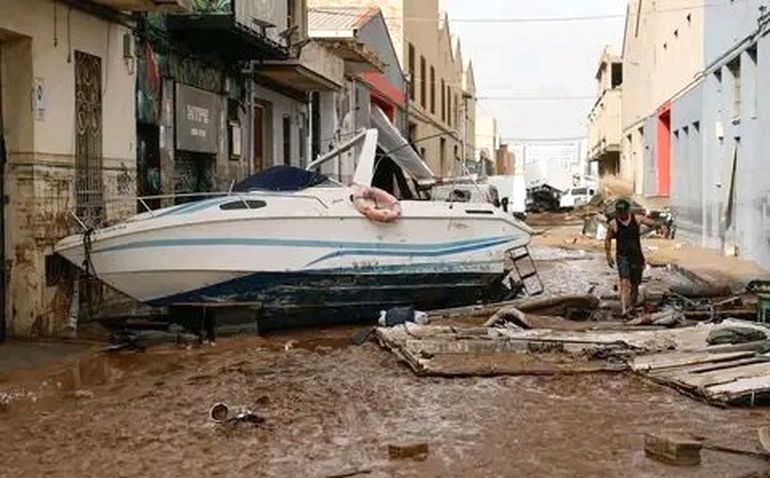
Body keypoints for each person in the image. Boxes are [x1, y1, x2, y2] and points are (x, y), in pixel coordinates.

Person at [605, 199, 667, 317]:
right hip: (622, 256)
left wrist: (661, 225)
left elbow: (652, 223)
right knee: (624, 282)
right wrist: (608, 256)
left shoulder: (637, 219)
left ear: (628, 210)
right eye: (619, 212)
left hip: (636, 256)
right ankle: (624, 309)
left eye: (623, 211)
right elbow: (607, 239)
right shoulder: (613, 224)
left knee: (635, 285)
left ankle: (631, 308)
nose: (621, 214)